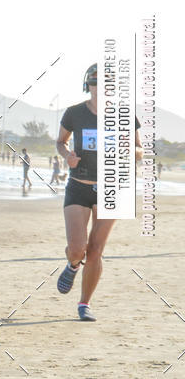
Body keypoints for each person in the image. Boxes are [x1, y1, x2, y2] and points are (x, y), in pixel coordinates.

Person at [55, 64, 142, 321]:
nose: (99, 89)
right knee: (77, 248)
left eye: (106, 85)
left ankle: (84, 304)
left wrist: (129, 149)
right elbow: (61, 142)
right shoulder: (74, 113)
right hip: (79, 187)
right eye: (95, 84)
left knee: (95, 251)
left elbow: (140, 150)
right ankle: (72, 264)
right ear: (88, 85)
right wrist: (67, 156)